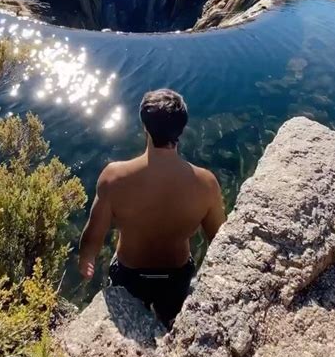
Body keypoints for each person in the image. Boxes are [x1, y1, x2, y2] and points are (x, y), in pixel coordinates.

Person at [79, 89, 225, 326]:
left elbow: (93, 235)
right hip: (176, 275)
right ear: (181, 128)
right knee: (172, 325)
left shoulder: (114, 177)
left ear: (145, 127)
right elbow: (220, 242)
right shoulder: (206, 183)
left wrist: (87, 259)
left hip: (130, 273)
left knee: (133, 330)